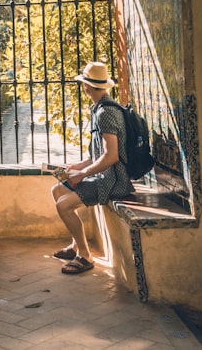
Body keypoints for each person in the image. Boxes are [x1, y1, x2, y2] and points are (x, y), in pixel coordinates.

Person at [50, 61, 134, 274]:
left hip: (113, 180)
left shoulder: (105, 113)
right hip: (104, 175)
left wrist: (83, 174)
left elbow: (111, 156)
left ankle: (85, 257)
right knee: (57, 190)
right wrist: (78, 166)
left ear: (87, 86)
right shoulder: (100, 109)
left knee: (63, 205)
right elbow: (98, 154)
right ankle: (75, 245)